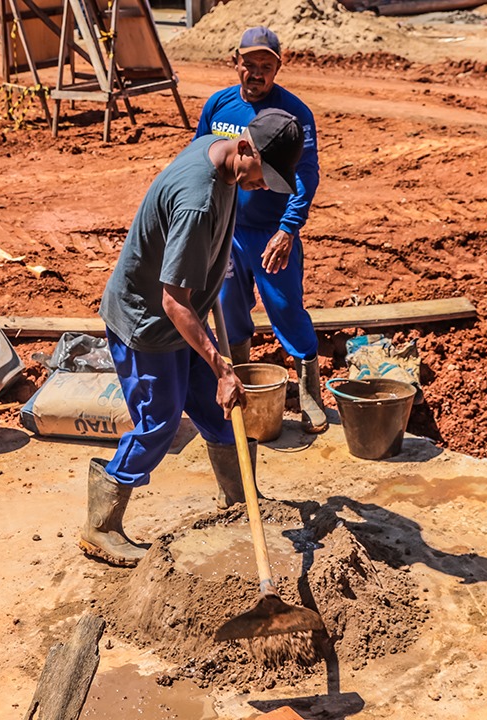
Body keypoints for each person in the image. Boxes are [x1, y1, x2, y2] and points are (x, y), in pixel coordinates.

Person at [79, 109, 306, 567]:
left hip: (184, 317)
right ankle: (99, 526)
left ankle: (239, 503)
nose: (264, 187)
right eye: (264, 176)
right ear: (245, 148)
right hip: (148, 324)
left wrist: (214, 267)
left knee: (223, 412)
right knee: (158, 424)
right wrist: (221, 366)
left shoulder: (217, 151)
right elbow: (172, 302)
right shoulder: (198, 200)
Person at [194, 26, 327, 434]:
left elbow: (305, 175)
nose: (256, 73)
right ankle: (243, 386)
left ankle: (308, 391)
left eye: (265, 66)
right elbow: (201, 160)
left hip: (271, 234)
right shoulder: (219, 106)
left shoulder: (295, 114)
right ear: (236, 63)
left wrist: (288, 229)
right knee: (229, 312)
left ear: (277, 68)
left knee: (286, 309)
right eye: (248, 65)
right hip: (227, 234)